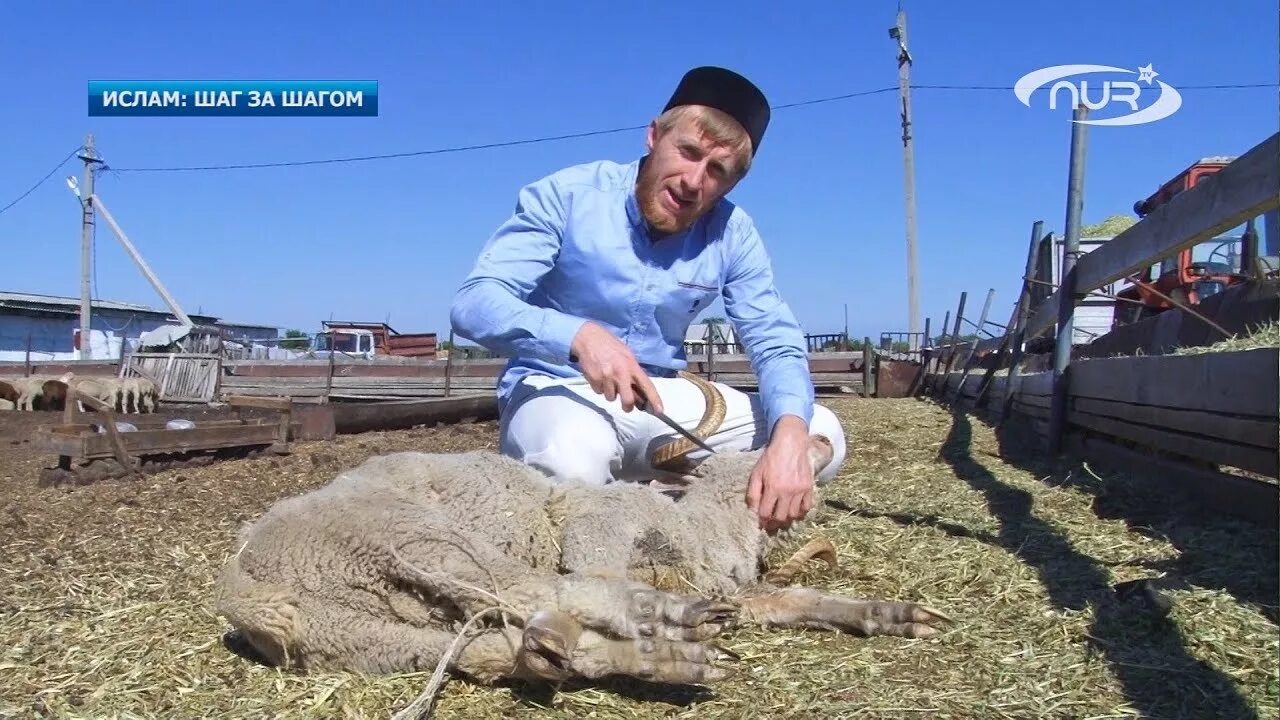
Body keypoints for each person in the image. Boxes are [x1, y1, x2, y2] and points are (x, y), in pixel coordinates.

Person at [450, 66, 847, 530]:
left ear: (731, 184)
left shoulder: (732, 232)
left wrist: (788, 439)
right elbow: (474, 302)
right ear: (654, 135)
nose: (693, 181)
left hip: (662, 404)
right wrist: (578, 335)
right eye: (688, 152)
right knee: (568, 462)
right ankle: (625, 535)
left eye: (716, 170)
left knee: (820, 433)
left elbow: (774, 340)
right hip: (558, 390)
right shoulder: (568, 196)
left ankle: (696, 535)